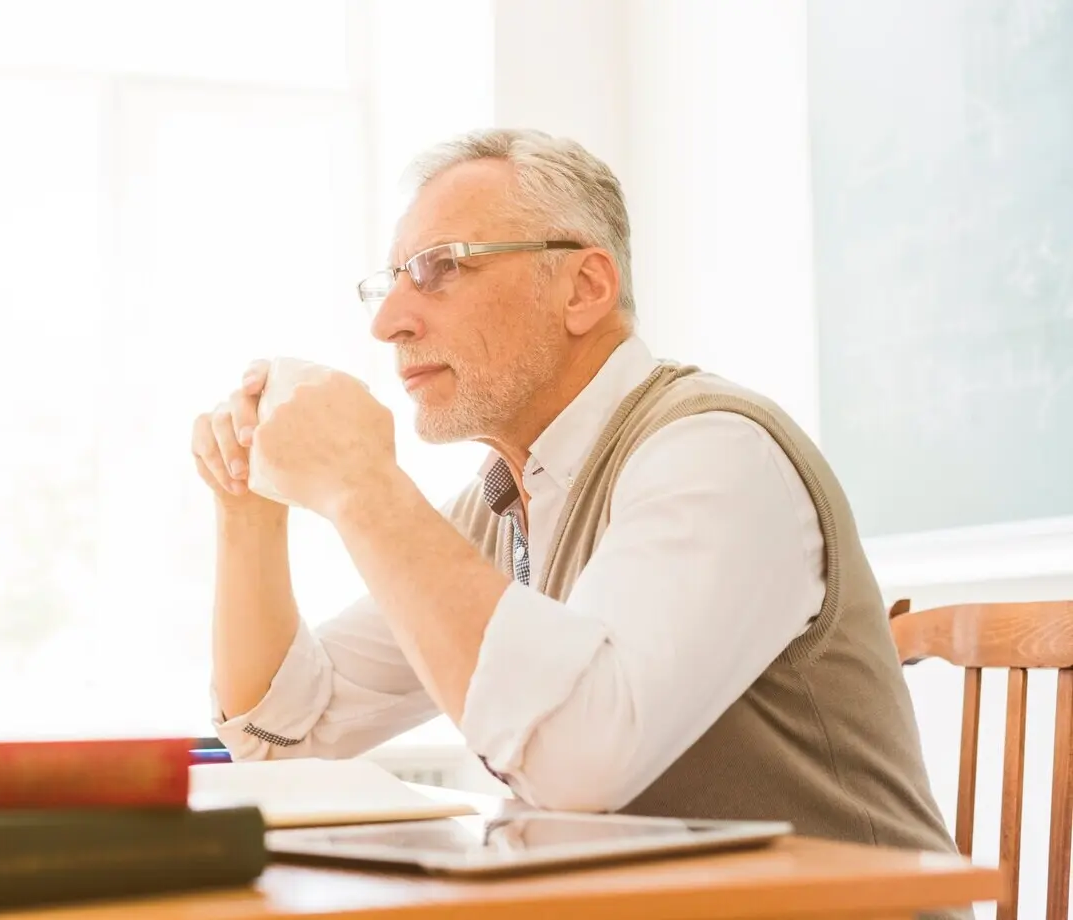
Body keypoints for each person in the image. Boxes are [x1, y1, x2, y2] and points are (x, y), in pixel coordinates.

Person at [190, 128, 956, 858]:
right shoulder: (506, 502)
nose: (390, 322)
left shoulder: (716, 454)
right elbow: (281, 734)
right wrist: (244, 505)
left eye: (440, 267)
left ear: (584, 288)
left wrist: (363, 485)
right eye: (390, 282)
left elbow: (580, 762)